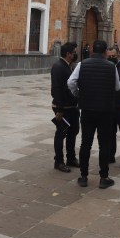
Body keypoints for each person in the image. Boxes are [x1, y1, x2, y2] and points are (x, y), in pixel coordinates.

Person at [68, 40, 120, 189]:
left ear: (91, 51)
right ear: (105, 52)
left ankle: (83, 177)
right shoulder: (111, 66)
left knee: (86, 143)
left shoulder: (81, 64)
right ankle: (104, 178)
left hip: (87, 110)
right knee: (104, 144)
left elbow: (71, 82)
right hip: (105, 111)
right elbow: (117, 87)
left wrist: (78, 94)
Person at [51, 42, 80, 172]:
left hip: (72, 107)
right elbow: (56, 90)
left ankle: (71, 158)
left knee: (72, 133)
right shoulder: (58, 67)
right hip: (63, 108)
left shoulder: (68, 66)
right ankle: (58, 161)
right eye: (74, 52)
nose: (75, 54)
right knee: (61, 134)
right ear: (68, 54)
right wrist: (60, 109)